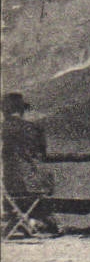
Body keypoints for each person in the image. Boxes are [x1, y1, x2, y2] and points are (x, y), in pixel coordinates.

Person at [3, 92, 58, 234]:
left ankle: (25, 221)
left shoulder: (3, 129)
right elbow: (42, 154)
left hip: (10, 184)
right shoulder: (35, 128)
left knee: (18, 190)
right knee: (45, 182)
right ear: (22, 110)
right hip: (34, 183)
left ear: (4, 111)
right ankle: (44, 220)